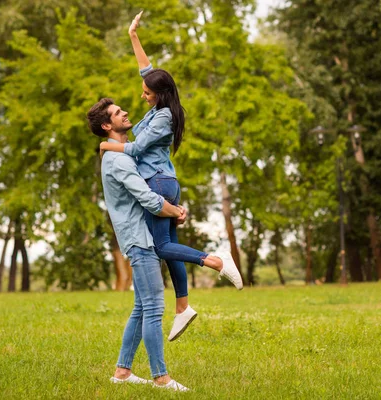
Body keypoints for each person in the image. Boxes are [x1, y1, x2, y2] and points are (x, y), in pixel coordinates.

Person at [99, 11, 243, 342]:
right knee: (171, 244)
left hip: (159, 183)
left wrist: (107, 144)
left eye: (147, 93)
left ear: (159, 95)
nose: (142, 96)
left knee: (161, 247)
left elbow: (135, 151)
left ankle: (217, 262)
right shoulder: (157, 107)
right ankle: (182, 307)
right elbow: (147, 71)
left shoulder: (163, 119)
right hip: (166, 183)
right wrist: (133, 36)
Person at [87, 97, 189, 391]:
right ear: (107, 125)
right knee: (155, 306)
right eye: (118, 113)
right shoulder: (118, 160)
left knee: (142, 307)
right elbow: (147, 198)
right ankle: (161, 378)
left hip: (140, 234)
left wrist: (172, 212)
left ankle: (122, 372)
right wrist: (175, 210)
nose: (125, 112)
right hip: (138, 238)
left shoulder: (123, 154)